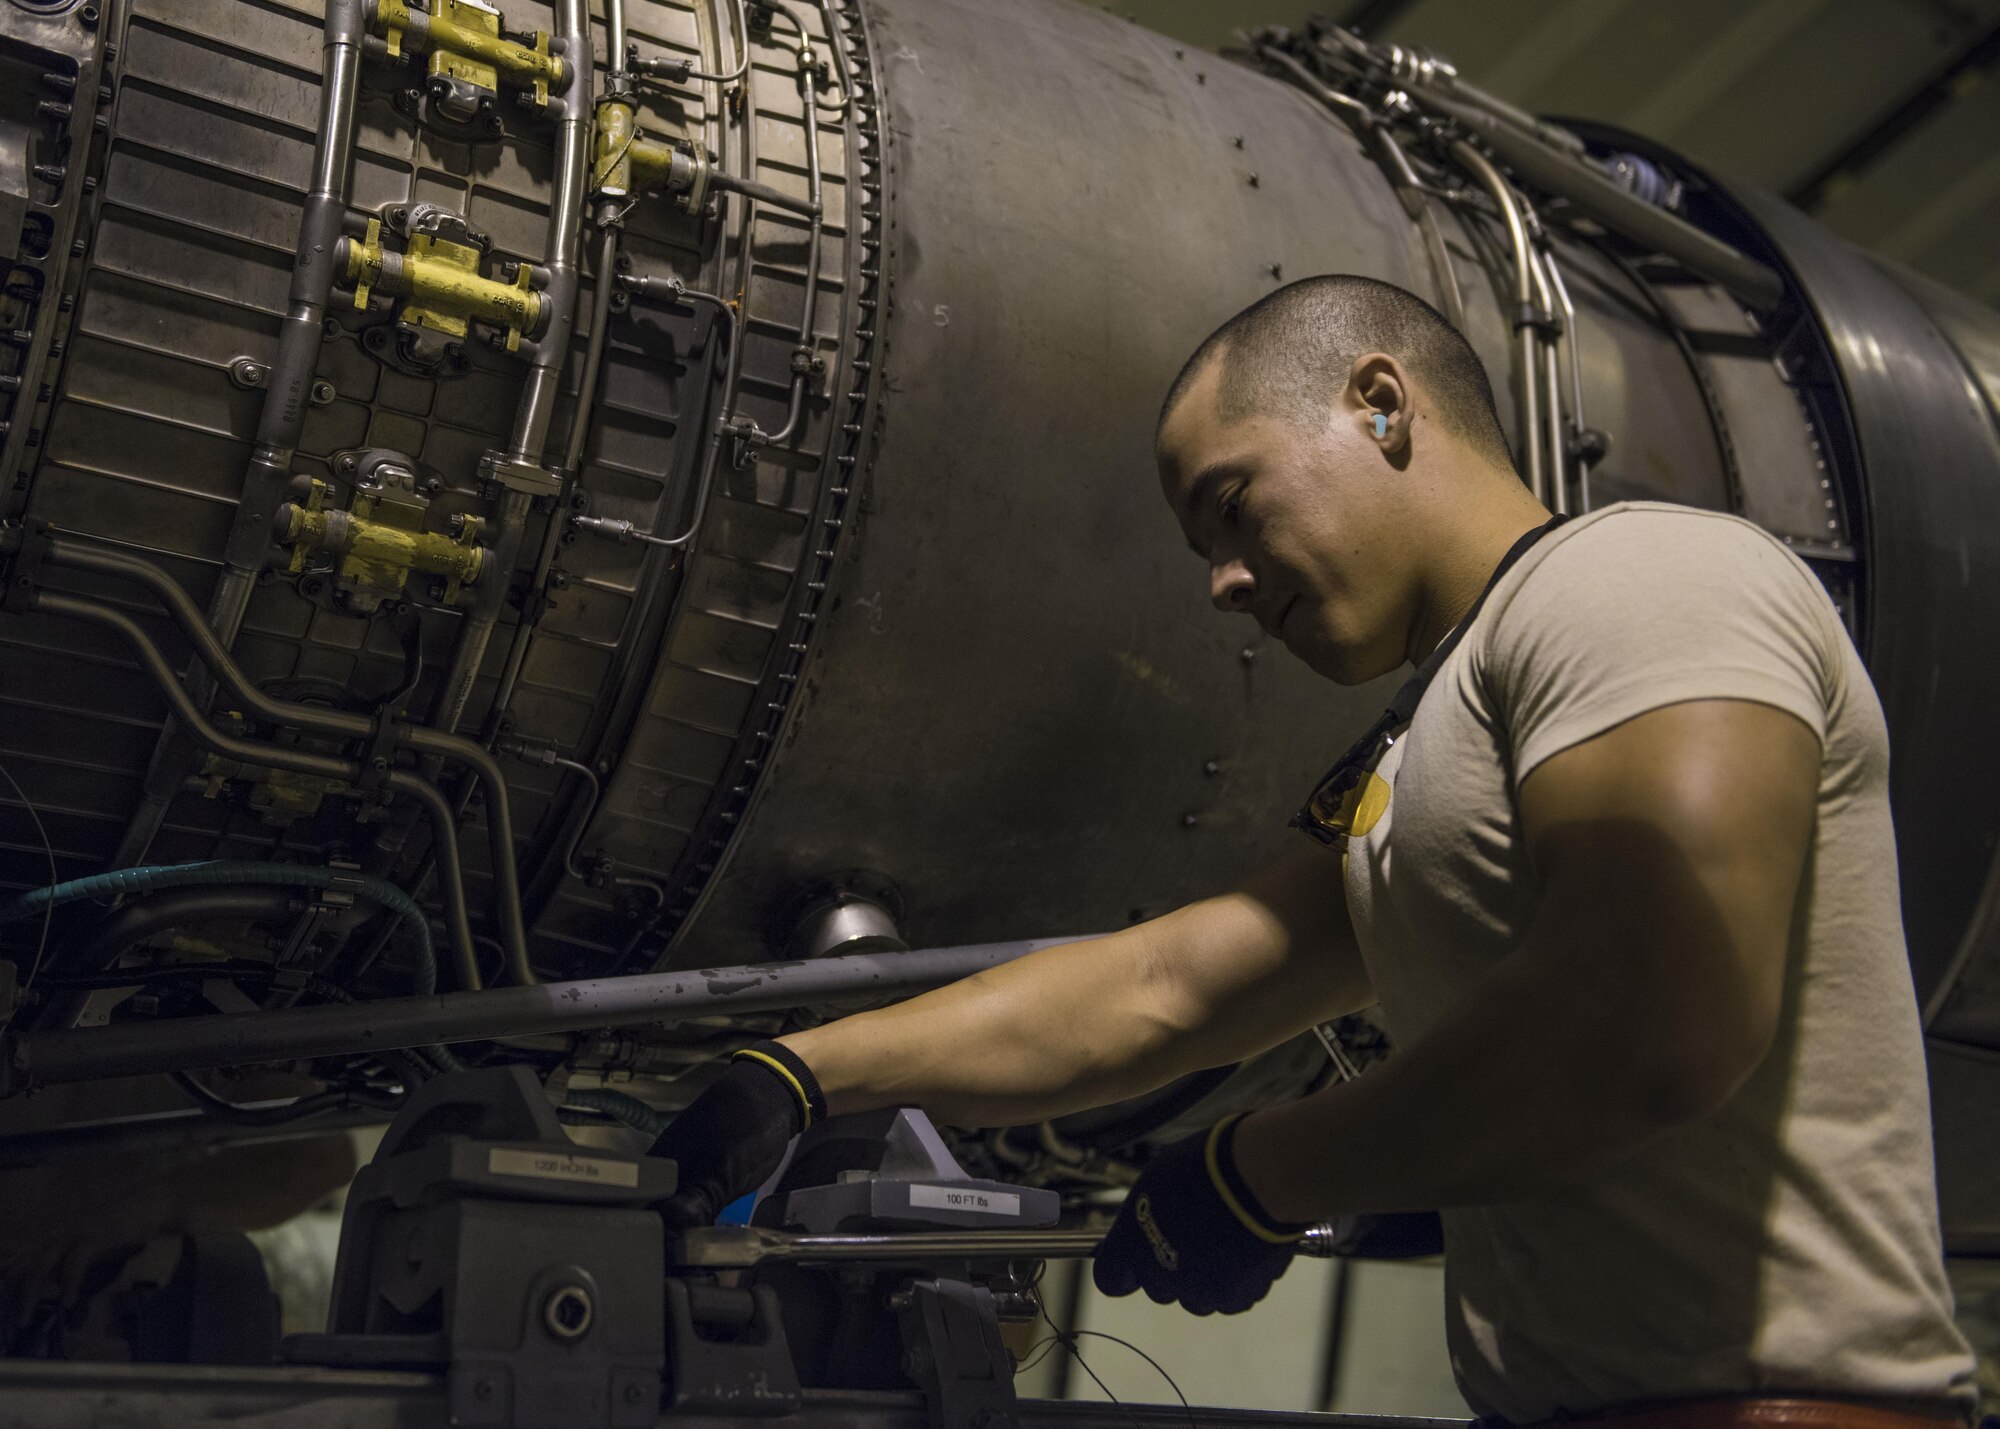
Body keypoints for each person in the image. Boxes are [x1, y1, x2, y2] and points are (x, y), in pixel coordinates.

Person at [651, 275, 1978, 1426]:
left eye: (1231, 506)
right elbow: (1167, 986)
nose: (1222, 584)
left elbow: (1654, 1008)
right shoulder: (1439, 737)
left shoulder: (1640, 584)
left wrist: (1269, 1168)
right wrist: (807, 1070)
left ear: (1381, 406)